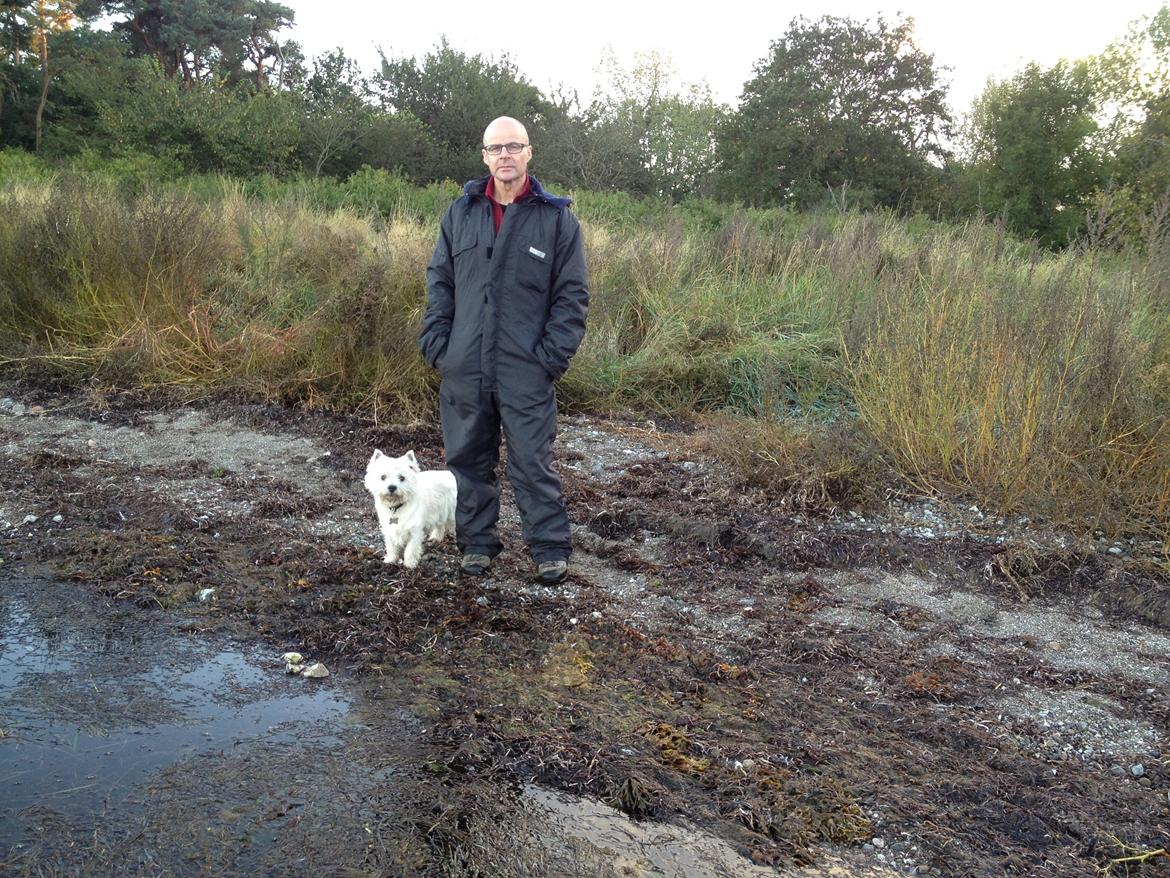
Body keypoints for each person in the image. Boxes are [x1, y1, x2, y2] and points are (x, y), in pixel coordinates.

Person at [419, 116, 589, 585]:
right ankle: (476, 545)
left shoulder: (555, 218)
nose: (505, 156)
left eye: (514, 146)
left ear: (529, 153)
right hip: (465, 365)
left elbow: (571, 296)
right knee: (467, 459)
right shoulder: (461, 213)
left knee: (532, 459)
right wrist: (439, 348)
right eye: (496, 148)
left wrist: (549, 359)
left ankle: (549, 548)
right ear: (485, 156)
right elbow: (441, 284)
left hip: (525, 366)